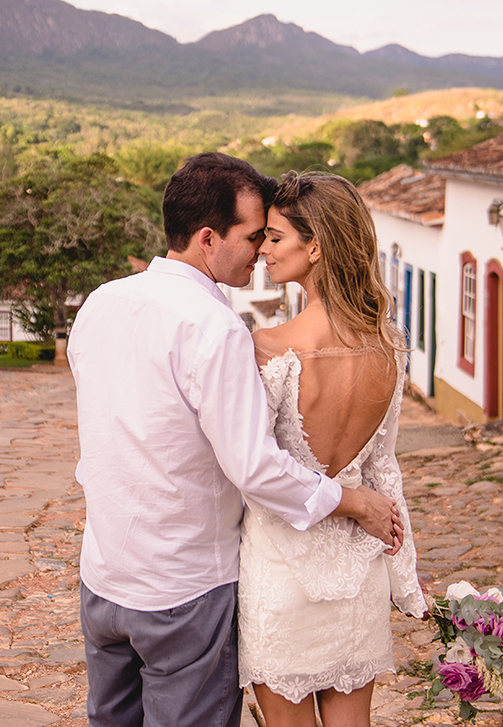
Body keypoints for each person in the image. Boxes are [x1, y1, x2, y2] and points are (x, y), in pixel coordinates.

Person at [67, 153, 403, 727]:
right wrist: (353, 502)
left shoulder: (101, 303)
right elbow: (254, 466)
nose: (260, 251)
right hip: (186, 586)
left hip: (105, 577)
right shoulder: (215, 327)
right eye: (253, 236)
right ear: (207, 237)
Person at [238, 171, 427, 727]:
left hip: (280, 567)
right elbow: (383, 469)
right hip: (358, 572)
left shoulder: (268, 347)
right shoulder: (389, 346)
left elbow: (255, 470)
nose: (263, 250)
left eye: (274, 237)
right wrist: (404, 578)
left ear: (315, 246)